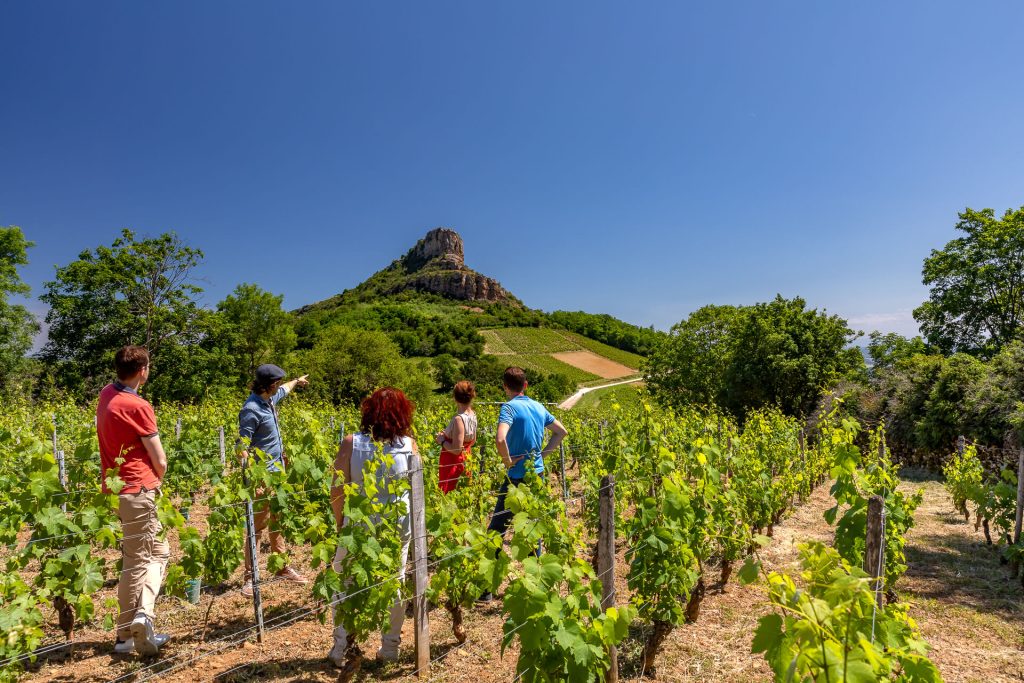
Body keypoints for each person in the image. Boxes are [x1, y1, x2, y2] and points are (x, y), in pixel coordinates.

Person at [328, 387, 418, 666]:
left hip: (358, 526)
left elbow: (337, 488)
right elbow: (417, 492)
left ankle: (341, 647)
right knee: (395, 583)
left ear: (368, 412)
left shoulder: (351, 443)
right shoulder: (408, 445)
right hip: (397, 525)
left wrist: (340, 521)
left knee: (344, 582)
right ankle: (390, 649)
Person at [97, 346, 171, 656]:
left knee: (154, 552)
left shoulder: (107, 394)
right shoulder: (138, 405)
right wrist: (158, 482)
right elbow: (160, 459)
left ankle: (134, 625)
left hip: (118, 490)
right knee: (139, 562)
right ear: (142, 370)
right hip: (139, 490)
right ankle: (134, 626)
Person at [479, 367, 568, 602]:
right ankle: (535, 586)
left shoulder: (508, 408)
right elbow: (561, 432)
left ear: (505, 387)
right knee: (532, 530)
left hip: (516, 479)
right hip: (537, 476)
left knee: (497, 530)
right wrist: (543, 455)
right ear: (525, 385)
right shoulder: (538, 407)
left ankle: (486, 589)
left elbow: (500, 438)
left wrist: (507, 460)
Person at [237, 363, 310, 597]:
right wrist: (251, 476)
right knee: (256, 526)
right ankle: (250, 576)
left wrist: (297, 381)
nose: (280, 385)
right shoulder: (251, 409)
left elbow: (286, 390)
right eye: (277, 382)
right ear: (269, 384)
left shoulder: (270, 399)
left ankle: (281, 567)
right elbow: (242, 446)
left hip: (278, 474)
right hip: (261, 476)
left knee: (278, 522)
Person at [434, 380, 478, 493]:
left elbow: (456, 449)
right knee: (463, 491)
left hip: (452, 463)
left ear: (455, 398)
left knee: (448, 492)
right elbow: (473, 441)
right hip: (466, 458)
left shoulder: (459, 419)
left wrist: (442, 441)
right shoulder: (473, 415)